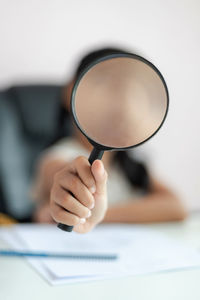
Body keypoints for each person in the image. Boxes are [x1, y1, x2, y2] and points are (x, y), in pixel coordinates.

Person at [32, 47, 187, 233]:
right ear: (71, 93)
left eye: (128, 93)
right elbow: (59, 177)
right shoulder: (59, 156)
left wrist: (100, 216)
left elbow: (176, 207)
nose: (119, 104)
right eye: (107, 89)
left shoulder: (127, 163)